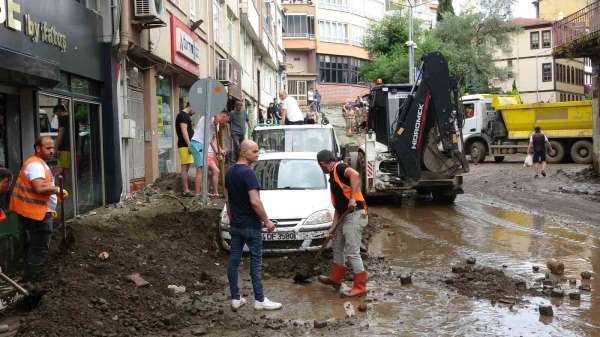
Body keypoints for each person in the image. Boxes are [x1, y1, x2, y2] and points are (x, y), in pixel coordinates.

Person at [225, 140, 282, 311]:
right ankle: (259, 300)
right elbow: (255, 202)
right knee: (256, 261)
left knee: (233, 260)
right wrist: (267, 221)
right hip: (251, 225)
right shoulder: (248, 173)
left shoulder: (229, 172)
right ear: (244, 153)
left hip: (236, 224)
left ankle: (235, 298)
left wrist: (231, 217)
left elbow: (227, 199)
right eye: (254, 151)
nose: (258, 154)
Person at [10, 136, 69, 281]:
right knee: (39, 249)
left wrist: (50, 206)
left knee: (32, 247)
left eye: (53, 148)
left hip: (35, 212)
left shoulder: (39, 164)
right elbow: (40, 187)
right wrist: (56, 190)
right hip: (36, 215)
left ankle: (28, 279)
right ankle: (35, 282)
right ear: (38, 148)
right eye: (47, 148)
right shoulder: (36, 165)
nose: (52, 151)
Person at [316, 149, 368, 297]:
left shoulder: (339, 167)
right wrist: (332, 228)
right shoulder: (333, 177)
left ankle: (360, 286)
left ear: (322, 164)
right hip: (344, 215)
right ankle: (335, 278)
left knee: (352, 251)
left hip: (356, 214)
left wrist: (352, 199)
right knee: (337, 246)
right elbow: (339, 209)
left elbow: (355, 174)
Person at [192, 112, 229, 197]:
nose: (226, 124)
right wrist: (216, 119)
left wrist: (218, 151)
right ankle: (197, 195)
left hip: (204, 146)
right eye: (226, 121)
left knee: (206, 171)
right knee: (200, 170)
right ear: (223, 116)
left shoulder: (217, 125)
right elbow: (212, 113)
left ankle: (205, 192)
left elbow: (212, 140)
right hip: (198, 143)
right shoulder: (209, 117)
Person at [175, 103, 195, 197]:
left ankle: (186, 189)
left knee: (186, 167)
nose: (194, 113)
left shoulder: (185, 115)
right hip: (184, 145)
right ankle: (185, 190)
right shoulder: (183, 115)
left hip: (186, 145)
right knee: (185, 167)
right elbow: (184, 131)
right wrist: (189, 144)